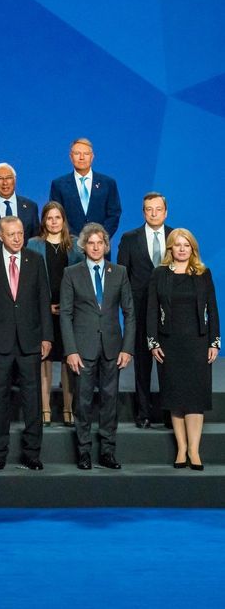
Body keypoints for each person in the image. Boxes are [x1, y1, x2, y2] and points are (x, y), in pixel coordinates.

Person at [0, 216, 53, 470]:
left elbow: (43, 300)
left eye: (20, 233)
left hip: (30, 341)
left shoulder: (35, 260)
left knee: (33, 401)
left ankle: (32, 454)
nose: (17, 238)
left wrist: (46, 337)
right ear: (0, 236)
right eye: (11, 235)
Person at [60, 223, 134, 470]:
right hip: (82, 349)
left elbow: (130, 313)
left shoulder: (119, 272)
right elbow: (66, 314)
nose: (95, 247)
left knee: (110, 400)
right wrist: (70, 350)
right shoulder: (72, 273)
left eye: (99, 243)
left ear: (105, 245)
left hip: (113, 347)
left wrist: (127, 348)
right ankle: (83, 452)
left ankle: (107, 451)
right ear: (84, 246)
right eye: (90, 243)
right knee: (82, 401)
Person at [148, 228, 219, 470]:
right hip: (170, 344)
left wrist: (214, 342)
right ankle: (181, 448)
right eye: (177, 245)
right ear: (170, 248)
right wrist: (153, 342)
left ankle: (194, 451)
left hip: (197, 343)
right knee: (176, 398)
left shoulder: (203, 274)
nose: (181, 249)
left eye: (186, 245)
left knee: (195, 399)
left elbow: (213, 309)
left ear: (192, 248)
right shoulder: (159, 274)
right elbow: (151, 311)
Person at [118, 192, 173, 429]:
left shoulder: (176, 237)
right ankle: (143, 413)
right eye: (148, 209)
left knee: (169, 364)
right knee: (142, 364)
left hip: (171, 313)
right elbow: (122, 276)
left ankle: (171, 413)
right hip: (140, 310)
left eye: (158, 209)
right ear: (143, 212)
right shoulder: (130, 238)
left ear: (165, 211)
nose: (153, 213)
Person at [27, 201, 83, 428]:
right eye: (49, 218)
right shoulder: (33, 245)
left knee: (69, 359)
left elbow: (82, 281)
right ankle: (45, 409)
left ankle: (69, 410)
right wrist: (45, 307)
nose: (53, 222)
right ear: (43, 221)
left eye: (57, 218)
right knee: (45, 359)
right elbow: (29, 283)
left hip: (70, 314)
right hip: (43, 312)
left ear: (63, 220)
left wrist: (69, 306)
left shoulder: (76, 246)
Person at [48, 137, 121, 237]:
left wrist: (99, 238)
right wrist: (74, 241)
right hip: (70, 246)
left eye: (86, 154)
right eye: (77, 153)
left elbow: (114, 215)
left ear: (92, 157)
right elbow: (57, 216)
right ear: (71, 157)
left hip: (99, 246)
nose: (82, 157)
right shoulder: (58, 185)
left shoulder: (108, 183)